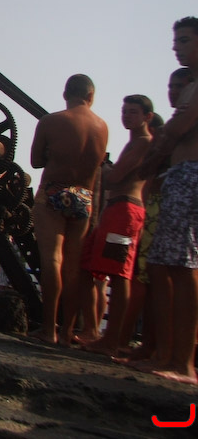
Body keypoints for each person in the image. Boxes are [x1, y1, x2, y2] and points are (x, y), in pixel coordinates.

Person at [136, 17, 198, 384]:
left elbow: (177, 128)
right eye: (176, 42)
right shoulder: (192, 87)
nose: (177, 48)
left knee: (183, 267)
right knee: (162, 265)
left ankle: (183, 363)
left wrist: (156, 151)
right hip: (179, 174)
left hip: (190, 174)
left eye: (185, 41)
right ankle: (163, 353)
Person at [30, 74, 109, 345]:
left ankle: (49, 329)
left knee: (52, 259)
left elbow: (35, 160)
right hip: (84, 197)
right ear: (91, 96)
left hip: (54, 190)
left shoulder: (51, 121)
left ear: (65, 94)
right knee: (73, 267)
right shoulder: (103, 127)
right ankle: (67, 332)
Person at [79, 95, 154, 356]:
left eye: (133, 112)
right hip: (116, 212)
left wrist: (99, 163)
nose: (126, 116)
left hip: (125, 212)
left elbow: (116, 177)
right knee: (89, 266)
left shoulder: (143, 143)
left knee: (119, 274)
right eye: (124, 111)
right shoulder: (134, 142)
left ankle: (112, 339)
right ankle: (93, 330)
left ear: (147, 117)